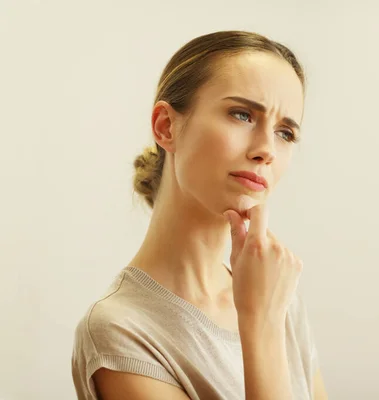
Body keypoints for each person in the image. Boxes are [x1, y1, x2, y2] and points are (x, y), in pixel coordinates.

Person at [71, 30, 327, 400]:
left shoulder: (276, 292)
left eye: (285, 133)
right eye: (242, 114)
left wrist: (269, 312)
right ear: (165, 126)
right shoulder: (121, 332)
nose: (266, 149)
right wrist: (261, 325)